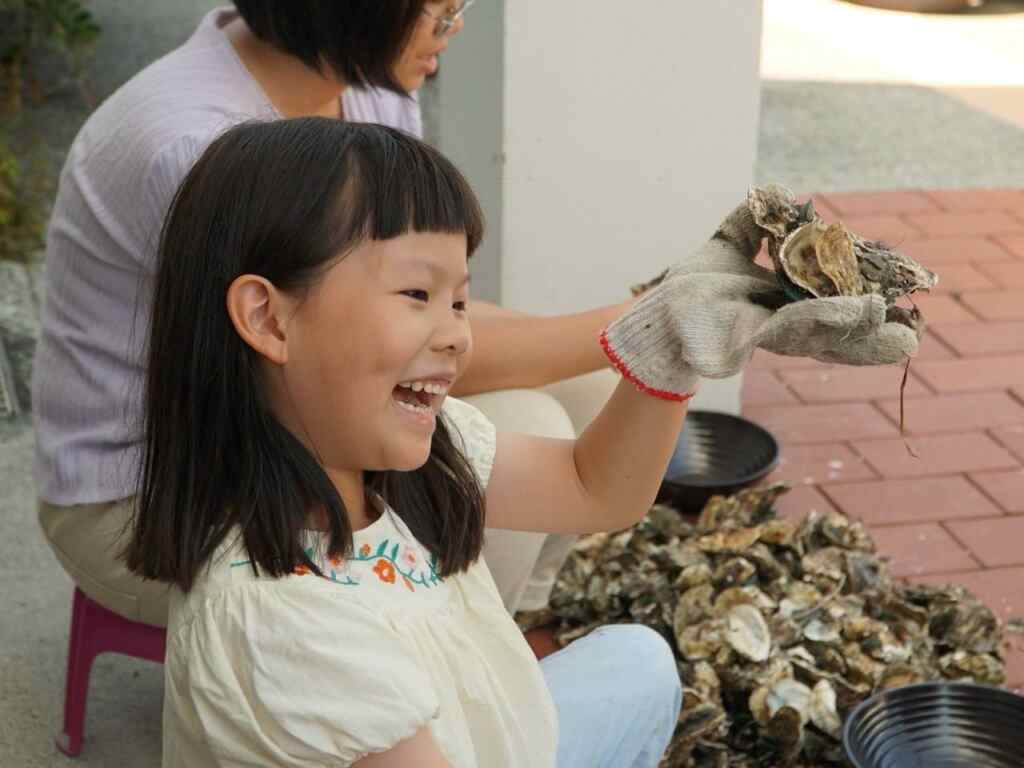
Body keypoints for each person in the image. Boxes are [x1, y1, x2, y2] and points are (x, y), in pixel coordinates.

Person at [129, 118, 917, 767]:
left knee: (640, 660)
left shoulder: (396, 458)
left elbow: (594, 488)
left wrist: (670, 351)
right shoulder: (284, 625)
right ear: (269, 319)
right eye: (417, 294)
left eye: (461, 300)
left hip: (484, 739)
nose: (458, 339)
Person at [33, 1, 627, 631]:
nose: (451, 31)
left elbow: (408, 301)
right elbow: (359, 355)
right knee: (524, 424)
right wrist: (642, 324)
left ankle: (515, 623)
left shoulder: (364, 86)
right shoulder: (195, 147)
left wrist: (627, 337)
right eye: (440, 11)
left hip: (294, 405)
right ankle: (440, 663)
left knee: (593, 384)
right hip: (157, 489)